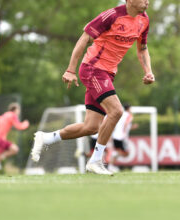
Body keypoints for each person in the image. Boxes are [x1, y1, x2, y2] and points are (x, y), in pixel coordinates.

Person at [30, 0, 155, 175]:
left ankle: (46, 138)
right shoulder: (111, 15)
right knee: (117, 111)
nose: (147, 1)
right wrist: (70, 70)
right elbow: (84, 38)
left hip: (108, 74)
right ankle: (96, 161)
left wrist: (148, 71)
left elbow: (142, 48)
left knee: (91, 127)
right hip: (93, 69)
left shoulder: (144, 20)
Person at [0, 103, 29, 176]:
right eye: (18, 110)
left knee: (13, 150)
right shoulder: (13, 115)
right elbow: (19, 127)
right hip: (0, 138)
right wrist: (25, 124)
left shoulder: (4, 115)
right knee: (12, 150)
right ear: (15, 110)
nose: (19, 112)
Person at [108, 104, 138, 173]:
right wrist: (124, 133)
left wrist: (132, 127)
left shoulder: (121, 114)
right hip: (121, 137)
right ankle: (114, 156)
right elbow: (126, 124)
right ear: (129, 109)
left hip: (115, 136)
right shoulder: (129, 115)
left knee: (118, 151)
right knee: (126, 153)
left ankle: (110, 166)